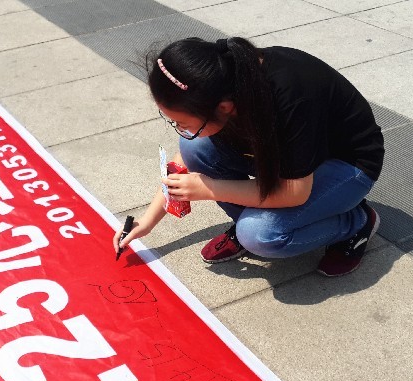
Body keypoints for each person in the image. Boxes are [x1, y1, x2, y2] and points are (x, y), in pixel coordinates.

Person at [113, 37, 384, 277]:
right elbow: (182, 159)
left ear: (224, 107)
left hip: (347, 166)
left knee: (259, 236)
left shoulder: (288, 98)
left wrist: (209, 189)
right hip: (291, 161)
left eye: (183, 123)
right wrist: (146, 221)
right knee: (194, 149)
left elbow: (294, 192)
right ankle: (260, 217)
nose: (181, 129)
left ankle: (356, 222)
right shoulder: (221, 82)